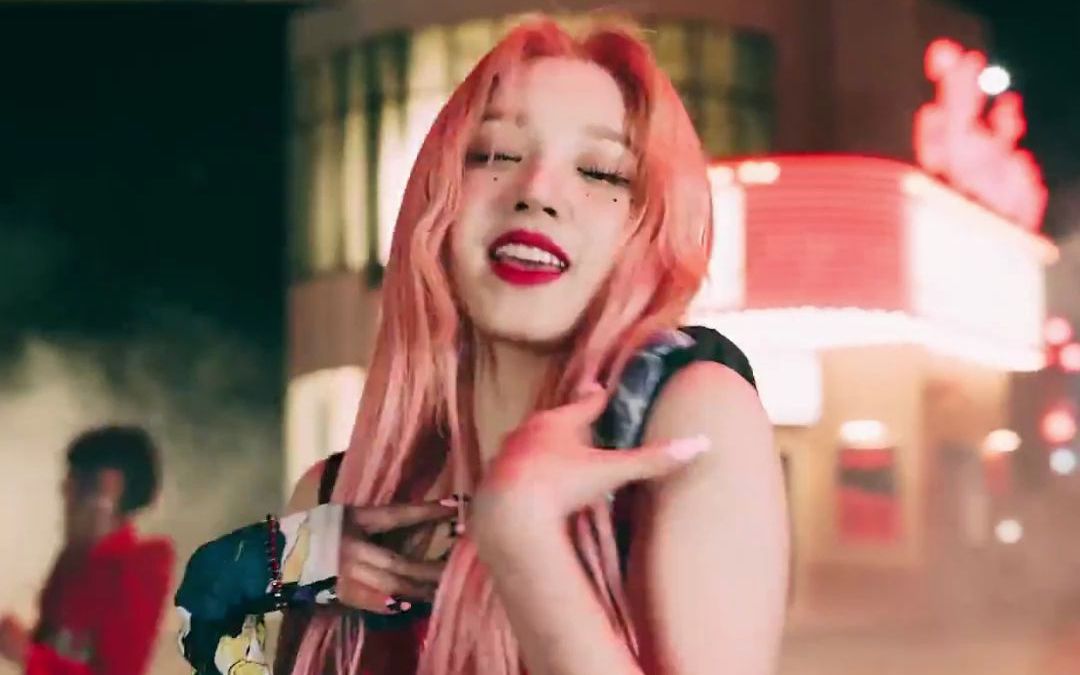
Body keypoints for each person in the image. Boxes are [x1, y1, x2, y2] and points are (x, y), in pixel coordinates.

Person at [176, 16, 789, 675]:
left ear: (648, 230)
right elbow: (222, 632)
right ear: (437, 200)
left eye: (601, 171)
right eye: (495, 154)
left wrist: (527, 541)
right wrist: (239, 578)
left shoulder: (689, 421)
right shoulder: (338, 497)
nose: (537, 192)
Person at [0, 425, 174, 675]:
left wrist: (28, 655)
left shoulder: (141, 567)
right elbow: (52, 644)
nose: (68, 499)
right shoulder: (75, 557)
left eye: (87, 486)